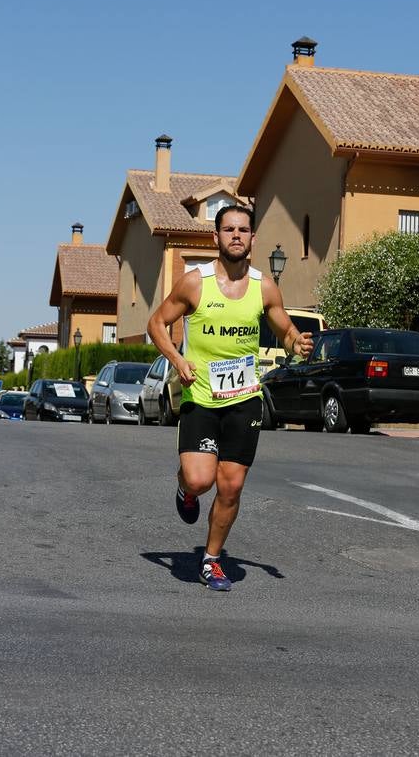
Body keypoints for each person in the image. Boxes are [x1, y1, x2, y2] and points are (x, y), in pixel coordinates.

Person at [147, 205, 314, 591]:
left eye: (243, 230)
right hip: (201, 397)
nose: (236, 236)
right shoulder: (195, 283)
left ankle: (211, 560)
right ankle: (183, 487)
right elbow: (156, 322)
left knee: (232, 486)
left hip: (243, 397)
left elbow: (285, 328)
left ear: (252, 239)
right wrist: (177, 359)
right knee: (200, 480)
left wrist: (297, 343)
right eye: (228, 229)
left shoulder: (264, 287)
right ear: (216, 238)